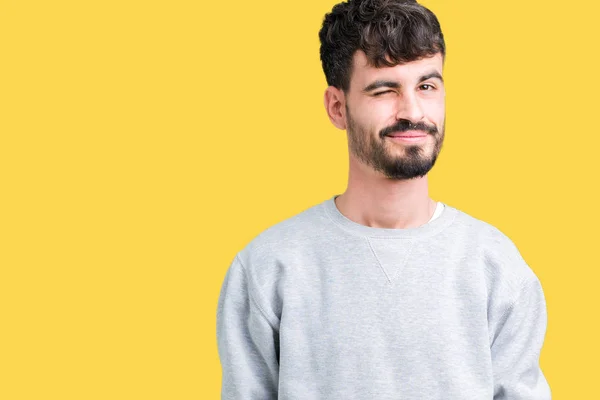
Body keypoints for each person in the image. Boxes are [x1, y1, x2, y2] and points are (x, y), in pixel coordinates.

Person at [216, 0, 552, 398]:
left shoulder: (497, 266)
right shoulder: (268, 268)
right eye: (385, 90)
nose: (412, 111)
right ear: (337, 107)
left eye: (427, 86)